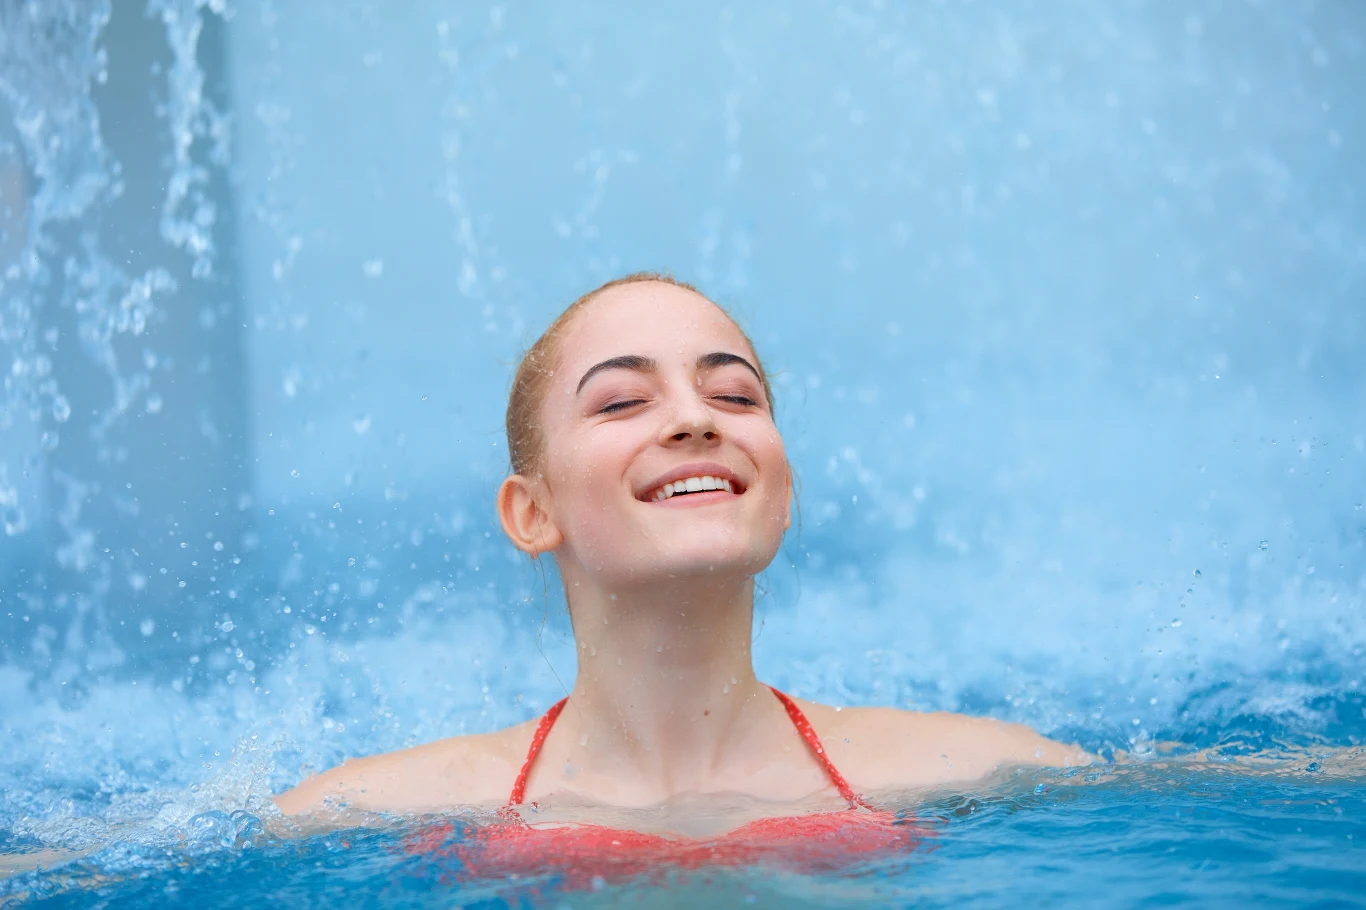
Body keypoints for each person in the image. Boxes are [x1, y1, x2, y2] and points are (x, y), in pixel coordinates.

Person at [273, 273, 1089, 838]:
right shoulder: (368, 809)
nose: (697, 419)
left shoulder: (970, 769)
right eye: (622, 400)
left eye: (735, 396)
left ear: (783, 490)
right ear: (531, 512)